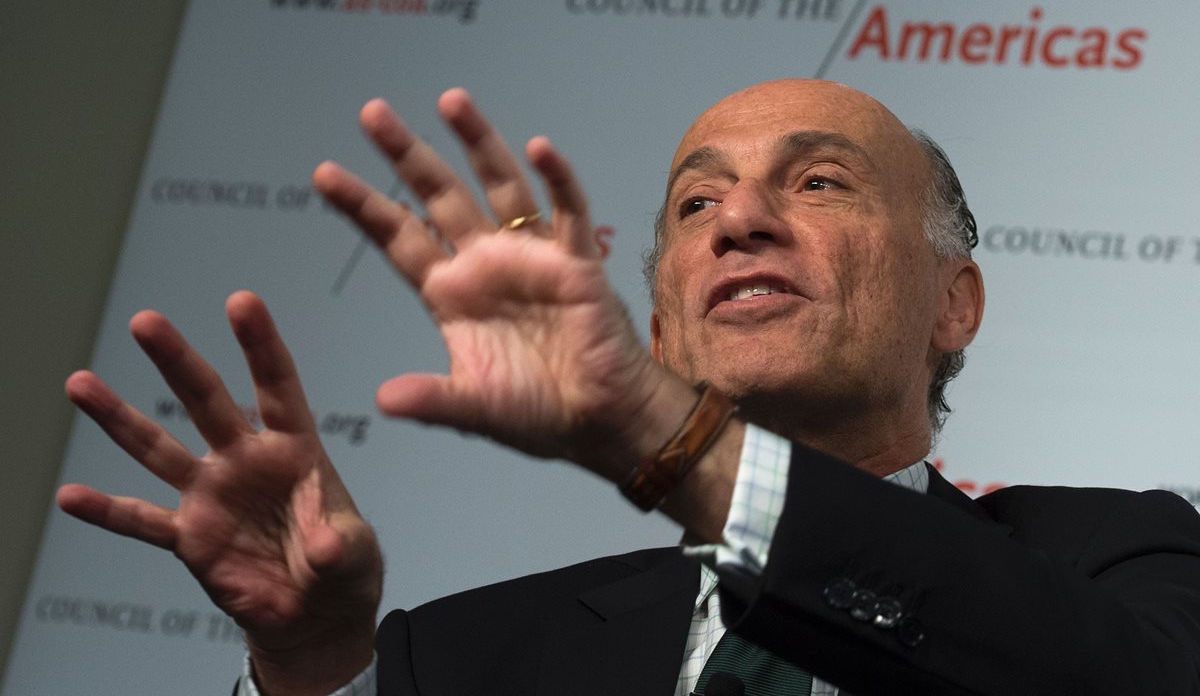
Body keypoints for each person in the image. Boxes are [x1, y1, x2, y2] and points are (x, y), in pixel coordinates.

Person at [56, 80, 1200, 695]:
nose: (741, 217)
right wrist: (311, 669)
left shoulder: (1121, 563)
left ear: (955, 302)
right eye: (698, 203)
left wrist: (666, 434)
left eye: (819, 182)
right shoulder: (449, 660)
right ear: (659, 330)